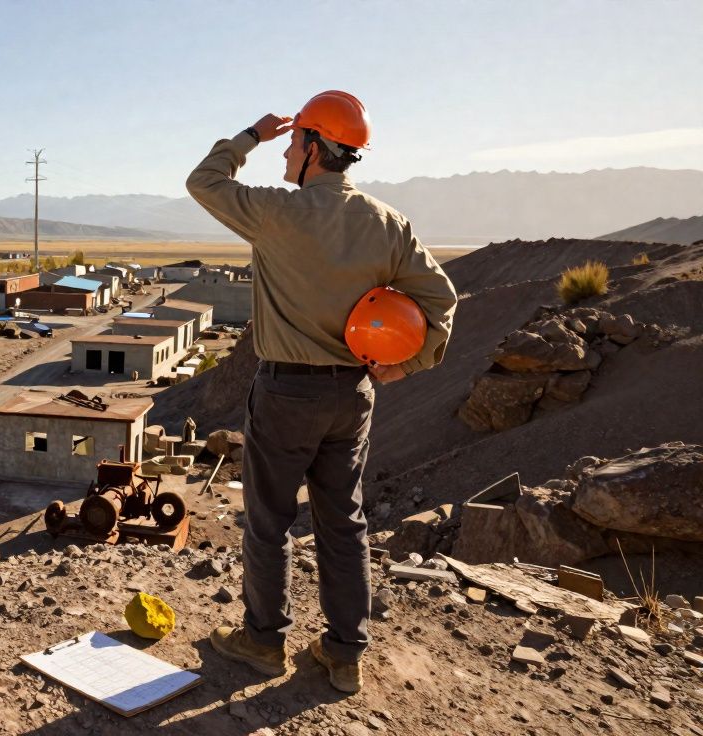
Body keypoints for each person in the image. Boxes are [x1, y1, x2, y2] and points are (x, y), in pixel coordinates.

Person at [185, 91, 457, 694]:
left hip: (286, 393)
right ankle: (344, 653)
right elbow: (441, 301)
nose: (285, 150)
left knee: (268, 521)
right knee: (343, 520)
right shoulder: (388, 224)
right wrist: (411, 366)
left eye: (292, 140)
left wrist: (249, 136)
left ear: (313, 148)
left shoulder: (277, 213)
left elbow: (203, 181)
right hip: (354, 395)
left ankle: (262, 641)